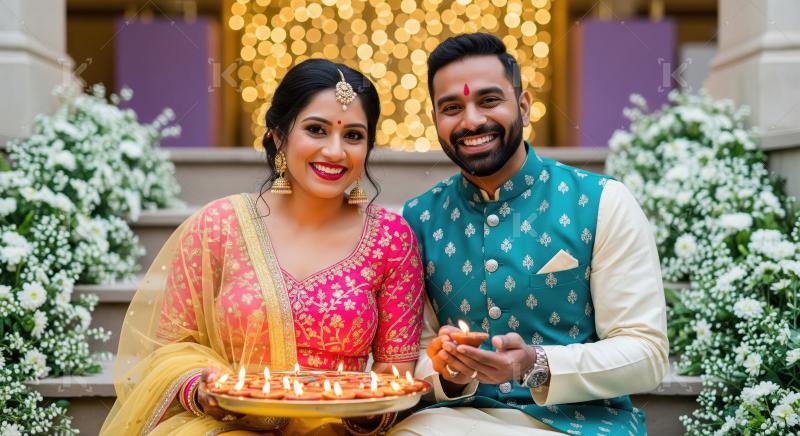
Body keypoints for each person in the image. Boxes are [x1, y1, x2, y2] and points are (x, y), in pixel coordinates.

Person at [100, 59, 424, 436]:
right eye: (316, 130)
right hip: (227, 427)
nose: (336, 152)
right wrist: (202, 389)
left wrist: (367, 411)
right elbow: (169, 352)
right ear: (278, 135)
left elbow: (394, 372)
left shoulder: (390, 238)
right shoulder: (220, 226)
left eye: (353, 135)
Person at [391, 33, 669, 435]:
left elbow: (646, 353)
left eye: (489, 100)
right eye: (452, 108)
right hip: (455, 419)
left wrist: (535, 363)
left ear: (523, 107)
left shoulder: (600, 202)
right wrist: (448, 373)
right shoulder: (419, 218)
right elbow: (415, 352)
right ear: (435, 120)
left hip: (580, 424)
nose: (471, 121)